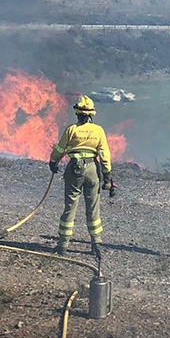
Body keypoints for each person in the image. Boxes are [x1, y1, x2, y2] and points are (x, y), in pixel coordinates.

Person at [50, 95, 114, 257]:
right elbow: (105, 155)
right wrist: (107, 176)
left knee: (70, 206)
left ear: (77, 113)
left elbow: (60, 149)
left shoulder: (71, 130)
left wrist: (53, 162)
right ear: (92, 114)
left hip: (74, 169)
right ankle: (96, 243)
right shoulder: (98, 131)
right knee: (93, 207)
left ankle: (63, 245)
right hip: (93, 169)